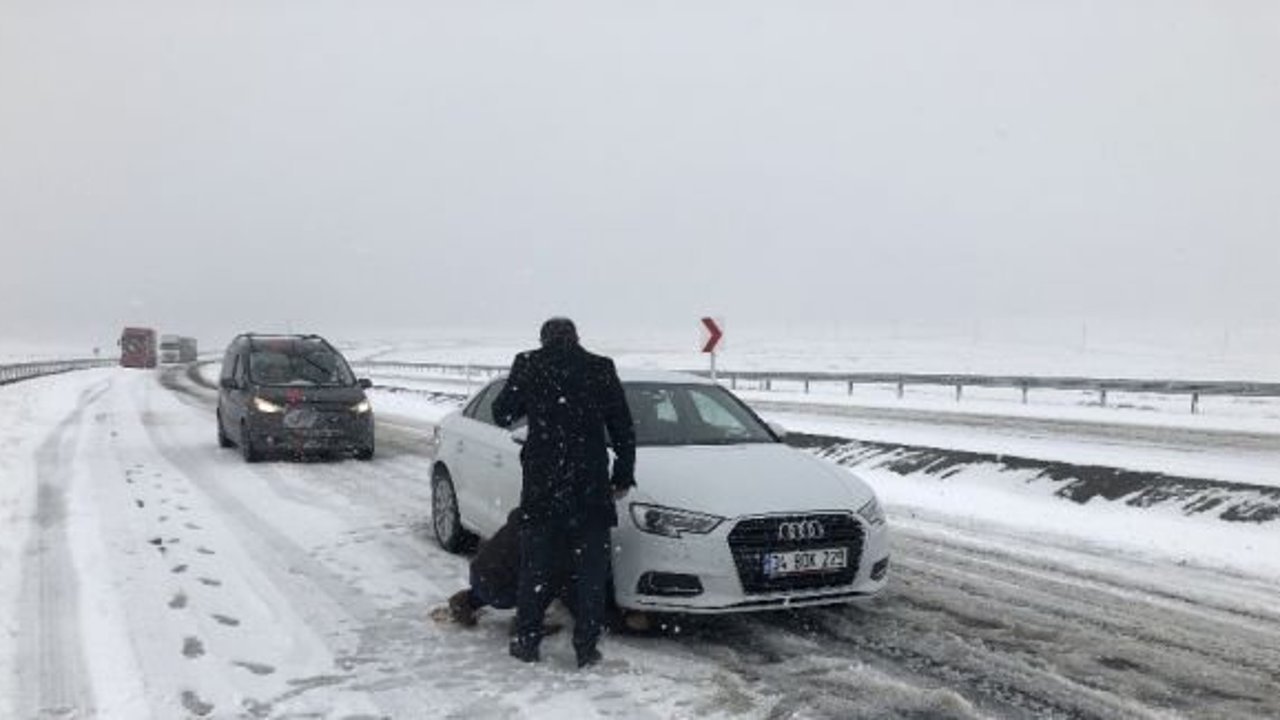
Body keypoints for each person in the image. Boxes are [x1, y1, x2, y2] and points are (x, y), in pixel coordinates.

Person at [492, 317, 636, 668]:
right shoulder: (600, 367)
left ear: (543, 339)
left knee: (535, 569)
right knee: (591, 574)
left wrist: (528, 398)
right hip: (590, 487)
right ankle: (586, 647)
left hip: (543, 487)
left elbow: (502, 414)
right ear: (576, 337)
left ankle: (527, 641)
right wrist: (622, 474)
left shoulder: (529, 364)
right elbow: (622, 427)